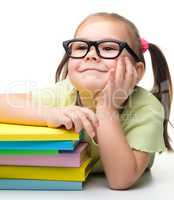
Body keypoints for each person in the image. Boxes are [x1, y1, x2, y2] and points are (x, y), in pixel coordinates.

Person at [0, 12, 173, 190]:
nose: (90, 55)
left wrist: (107, 109)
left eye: (108, 48)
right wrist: (47, 114)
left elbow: (121, 180)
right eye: (81, 47)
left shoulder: (148, 107)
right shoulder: (65, 92)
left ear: (137, 71)